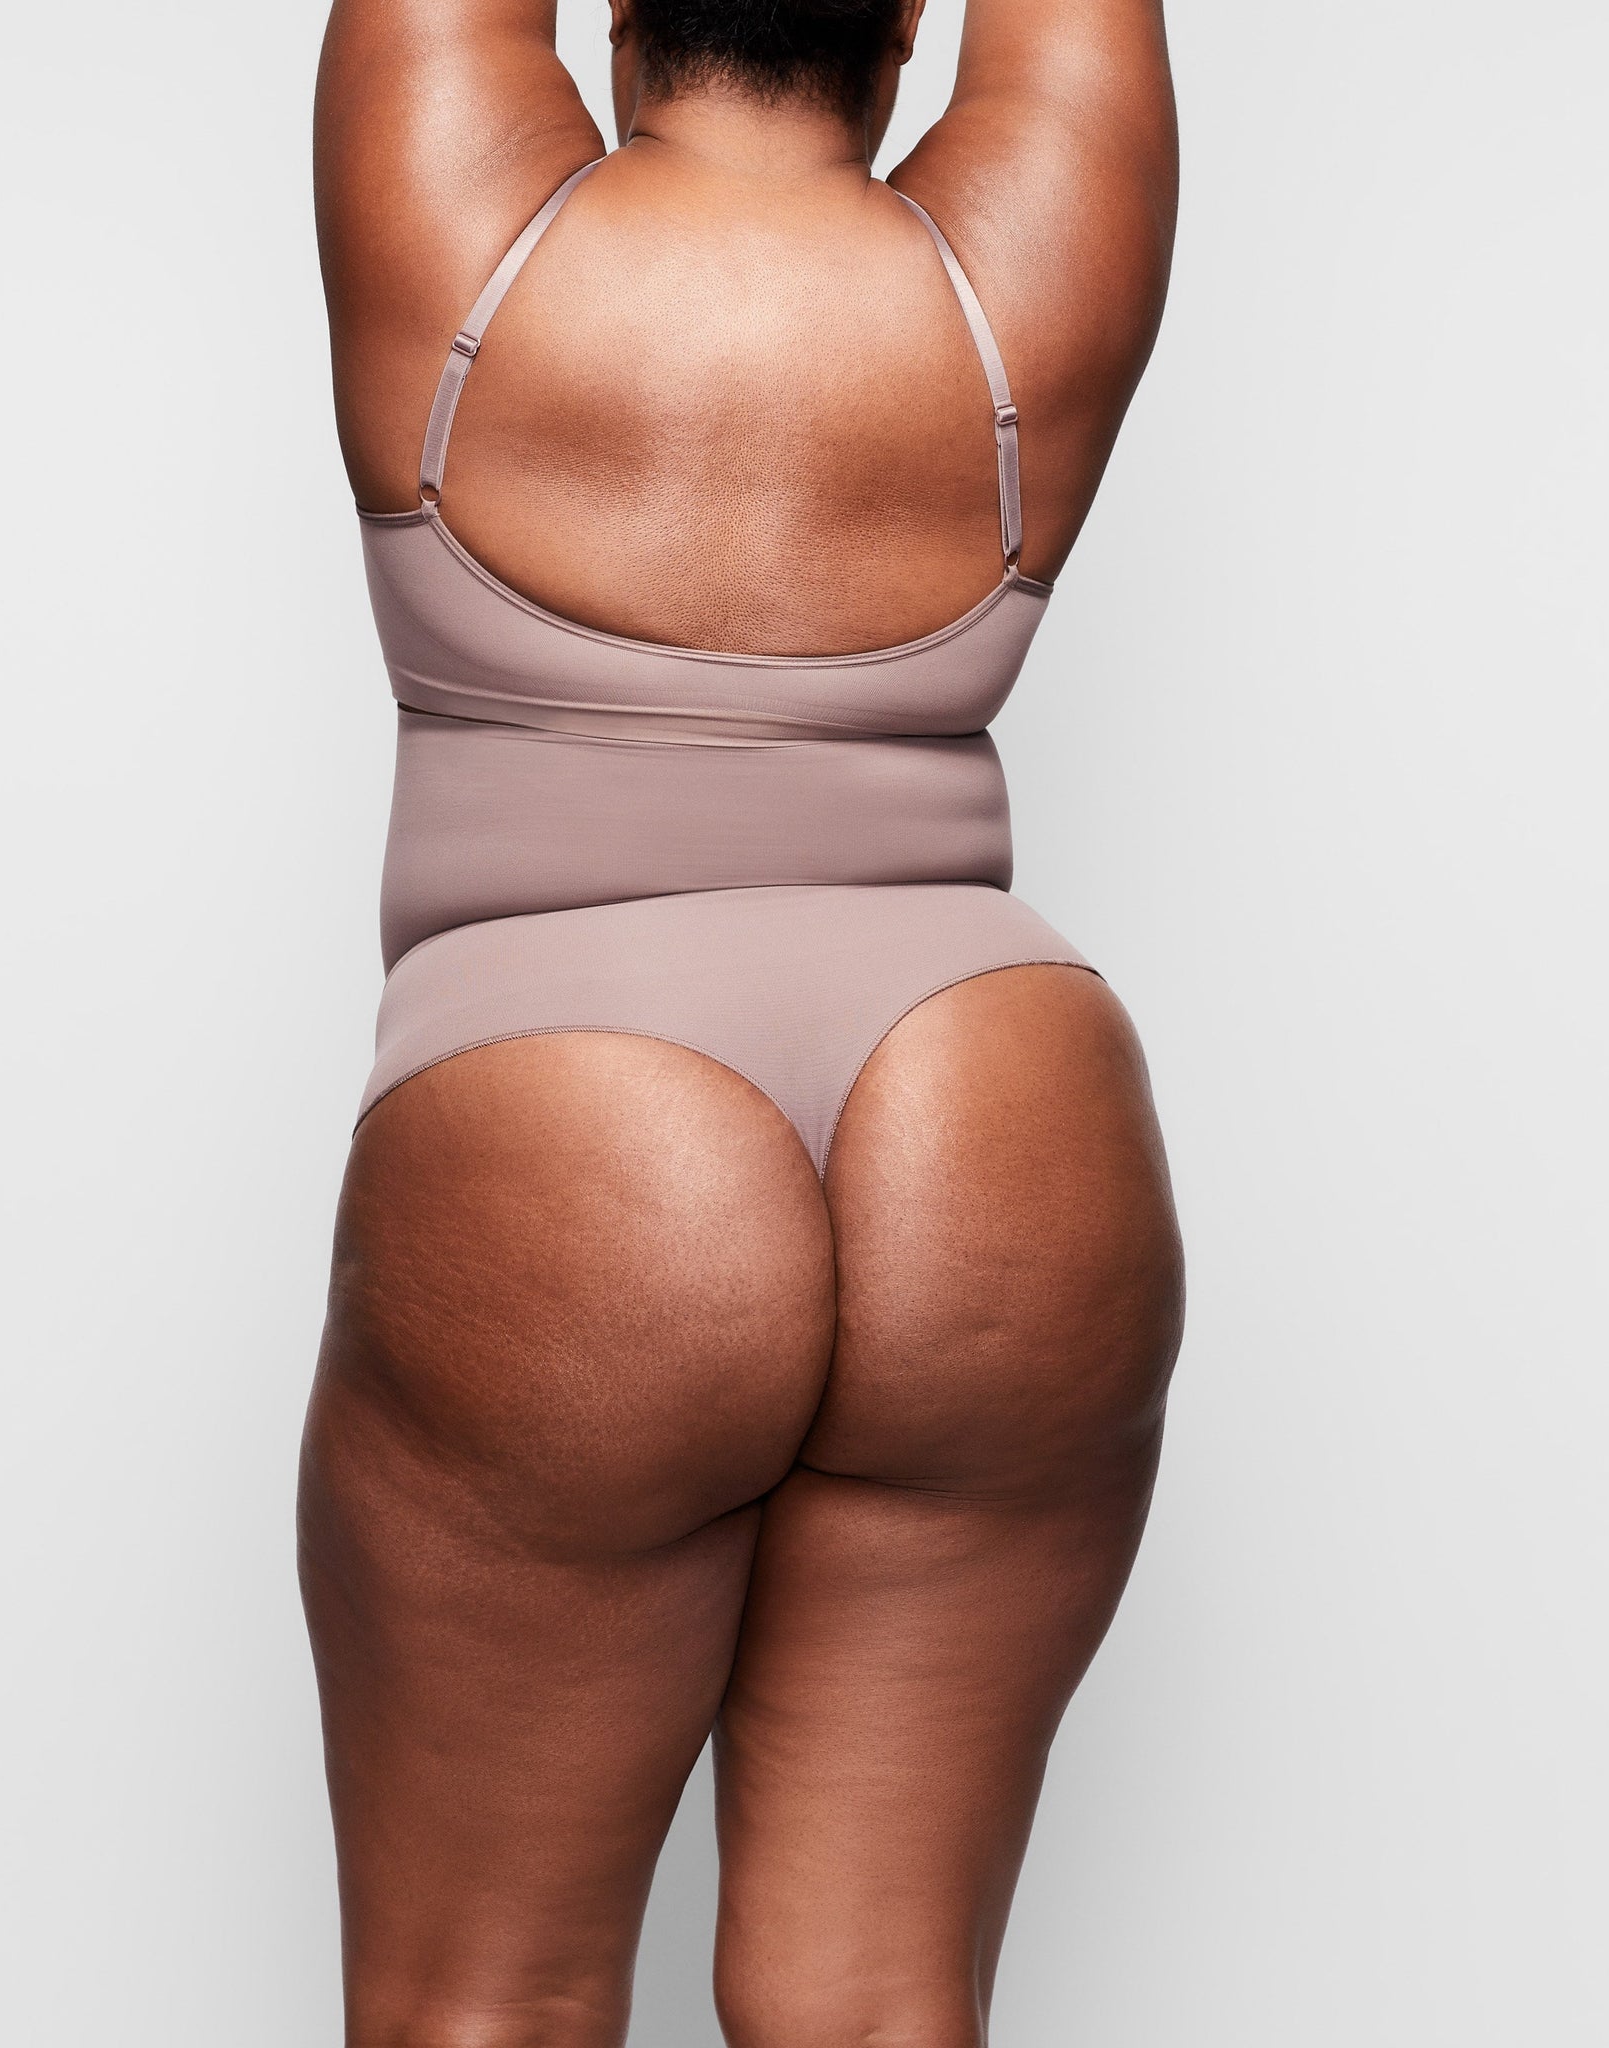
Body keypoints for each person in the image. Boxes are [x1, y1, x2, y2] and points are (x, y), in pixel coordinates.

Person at [301, 0, 1182, 2039]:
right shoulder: (1022, 266)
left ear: (615, 13)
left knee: (481, 2007)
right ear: (910, 22)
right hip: (992, 1090)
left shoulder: (461, 220)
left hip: (577, 1113)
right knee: (879, 2005)